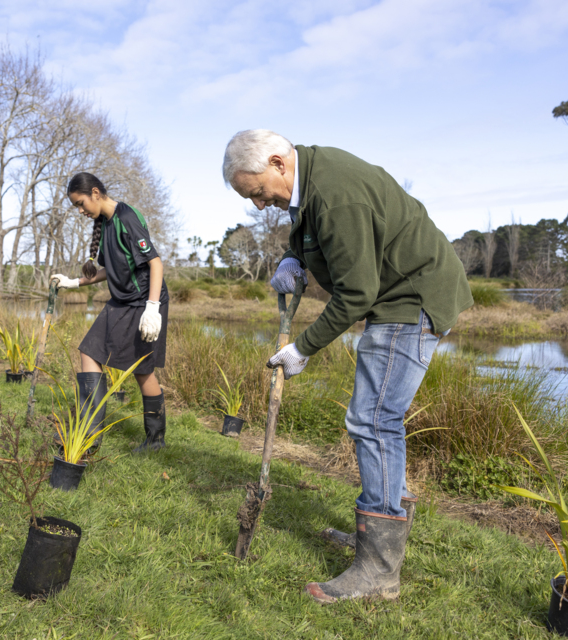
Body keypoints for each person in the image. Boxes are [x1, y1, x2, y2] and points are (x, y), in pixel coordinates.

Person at [223, 130, 472, 604]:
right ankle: (380, 539)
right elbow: (315, 231)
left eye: (256, 192)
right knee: (380, 422)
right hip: (395, 296)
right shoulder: (310, 179)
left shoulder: (335, 194)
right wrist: (295, 257)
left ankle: (379, 570)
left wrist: (303, 348)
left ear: (277, 162)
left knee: (373, 421)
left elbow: (357, 293)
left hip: (409, 300)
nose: (258, 205)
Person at [50, 173, 169, 453]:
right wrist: (74, 282)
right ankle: (89, 435)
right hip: (121, 300)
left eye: (81, 204)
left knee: (143, 371)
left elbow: (156, 264)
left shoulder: (126, 218)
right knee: (89, 351)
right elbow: (111, 270)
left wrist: (152, 309)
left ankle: (155, 441)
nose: (80, 211)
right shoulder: (105, 223)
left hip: (143, 301)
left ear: (95, 192)